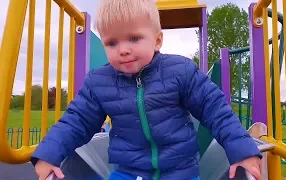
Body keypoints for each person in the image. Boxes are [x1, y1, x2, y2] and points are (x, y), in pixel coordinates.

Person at [31, 0, 262, 179]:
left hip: (180, 172)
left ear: (157, 40)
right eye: (112, 42)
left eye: (134, 38)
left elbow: (215, 110)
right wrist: (49, 154)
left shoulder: (180, 71)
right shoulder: (98, 82)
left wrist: (242, 150)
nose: (123, 50)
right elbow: (76, 121)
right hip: (128, 172)